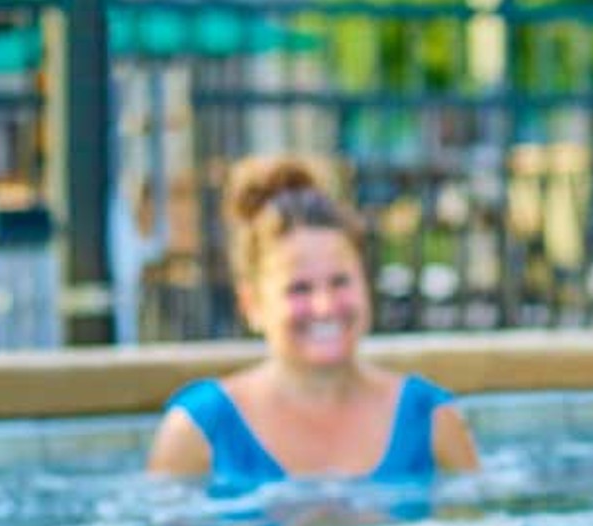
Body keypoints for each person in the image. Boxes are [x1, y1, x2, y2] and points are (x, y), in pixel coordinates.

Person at [146, 156, 479, 484]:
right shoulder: (197, 432)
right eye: (299, 289)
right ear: (252, 305)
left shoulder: (434, 420)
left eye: (340, 282)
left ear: (365, 283)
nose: (325, 306)